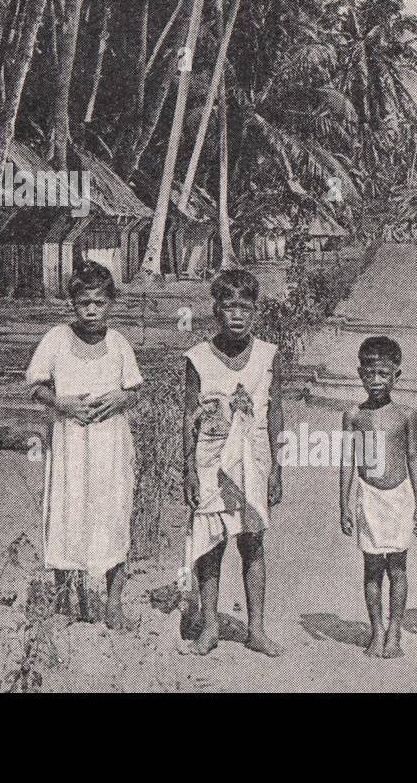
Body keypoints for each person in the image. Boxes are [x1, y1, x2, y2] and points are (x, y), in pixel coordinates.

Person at [26, 260, 142, 629]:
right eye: (83, 302)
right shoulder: (57, 338)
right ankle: (65, 599)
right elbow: (35, 385)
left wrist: (121, 399)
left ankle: (113, 603)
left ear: (111, 303)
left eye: (99, 302)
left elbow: (135, 389)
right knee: (66, 512)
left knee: (113, 514)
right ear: (72, 303)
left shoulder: (119, 343)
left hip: (110, 443)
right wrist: (60, 401)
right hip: (70, 442)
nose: (91, 310)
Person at [182, 268, 284, 657]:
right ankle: (208, 626)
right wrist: (188, 470)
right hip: (209, 458)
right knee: (210, 544)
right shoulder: (197, 358)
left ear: (256, 311)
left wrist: (277, 468)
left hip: (253, 460)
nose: (237, 315)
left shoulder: (268, 355)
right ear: (215, 310)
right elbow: (187, 416)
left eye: (245, 307)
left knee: (253, 541)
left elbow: (275, 413)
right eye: (229, 307)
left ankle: (255, 629)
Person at [339, 336, 417, 658]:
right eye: (370, 374)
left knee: (398, 568)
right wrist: (345, 504)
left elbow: (414, 459)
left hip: (400, 497)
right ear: (361, 374)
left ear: (396, 376)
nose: (376, 382)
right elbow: (348, 461)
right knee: (372, 567)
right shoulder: (354, 416)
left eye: (384, 375)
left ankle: (394, 632)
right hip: (368, 497)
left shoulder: (405, 415)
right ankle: (376, 629)